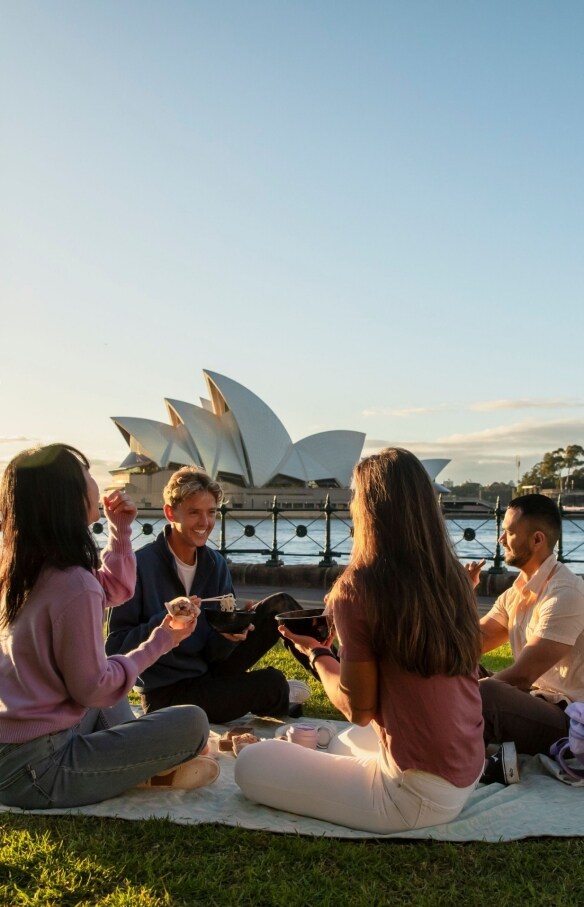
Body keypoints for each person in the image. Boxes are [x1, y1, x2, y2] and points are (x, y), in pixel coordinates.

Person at [234, 448, 485, 834]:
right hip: (466, 771)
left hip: (413, 798)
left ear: (369, 509)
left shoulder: (360, 587)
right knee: (340, 743)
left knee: (251, 763)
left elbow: (358, 708)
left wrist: (317, 652)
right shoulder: (453, 578)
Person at [0, 444, 218, 811]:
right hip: (39, 772)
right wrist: (162, 640)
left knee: (118, 695)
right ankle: (136, 765)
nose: (96, 483)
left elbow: (115, 589)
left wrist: (120, 531)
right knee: (193, 723)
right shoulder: (72, 583)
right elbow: (95, 688)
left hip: (18, 748)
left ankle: (129, 763)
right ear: (66, 497)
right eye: (86, 475)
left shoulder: (25, 568)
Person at [105, 466, 309, 724]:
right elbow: (114, 648)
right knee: (271, 682)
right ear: (170, 512)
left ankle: (337, 677)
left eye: (211, 513)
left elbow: (215, 653)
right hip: (168, 692)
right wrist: (168, 620)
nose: (205, 523)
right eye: (194, 513)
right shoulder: (138, 566)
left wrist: (231, 634)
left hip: (209, 669)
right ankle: (283, 695)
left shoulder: (215, 563)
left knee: (281, 605)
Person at [466, 493, 584, 772]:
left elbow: (521, 675)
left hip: (569, 719)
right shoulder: (515, 593)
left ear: (537, 540)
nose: (501, 540)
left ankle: (472, 767)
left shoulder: (565, 593)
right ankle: (472, 759)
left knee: (488, 694)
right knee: (456, 668)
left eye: (508, 532)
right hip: (534, 702)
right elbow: (471, 645)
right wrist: (462, 595)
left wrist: (469, 692)